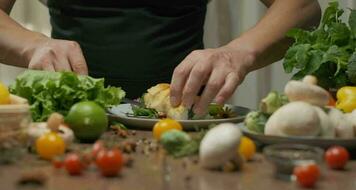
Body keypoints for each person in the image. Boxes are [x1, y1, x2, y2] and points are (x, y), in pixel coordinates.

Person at [0, 0, 321, 115]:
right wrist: (33, 45)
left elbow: (302, 8)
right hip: (69, 128)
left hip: (180, 127)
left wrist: (237, 53)